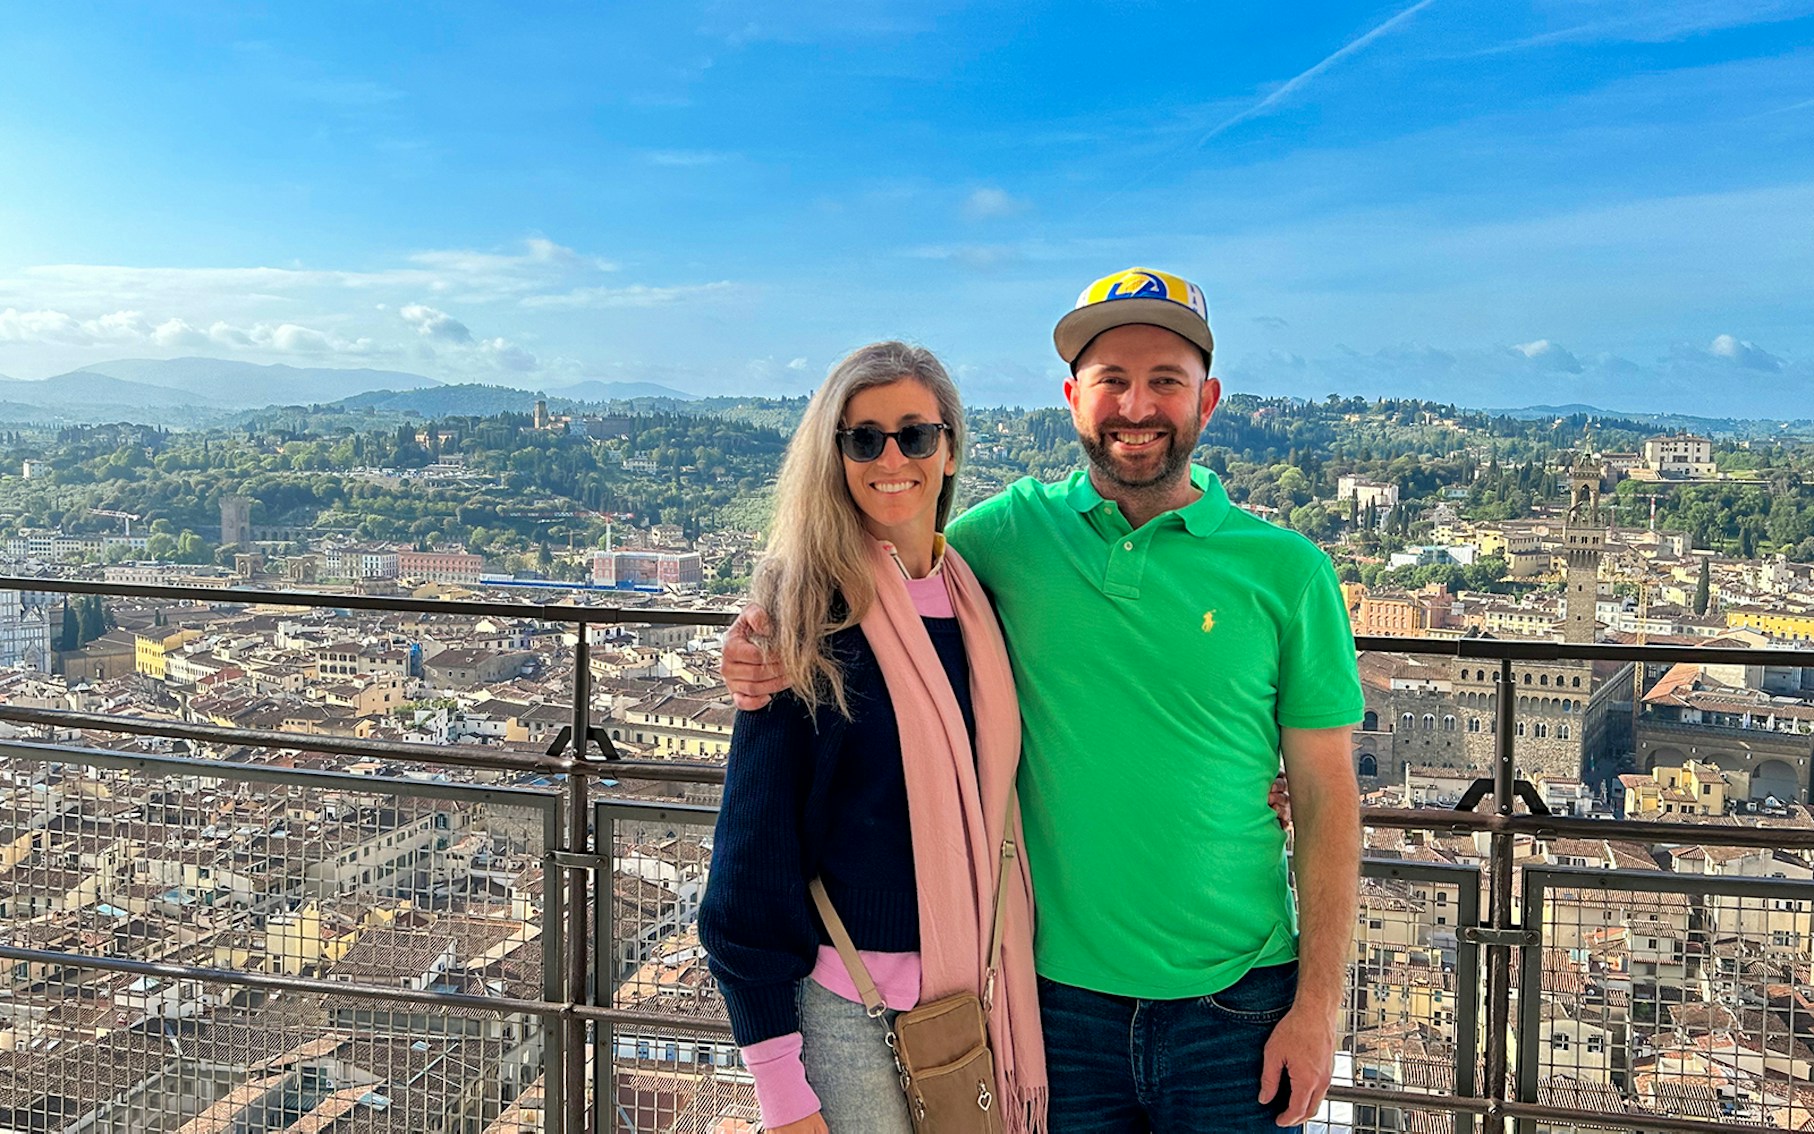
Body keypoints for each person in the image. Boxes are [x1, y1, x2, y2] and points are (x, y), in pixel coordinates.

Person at [724, 269, 1364, 1132]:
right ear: (1072, 399)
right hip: (1052, 1006)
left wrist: (1318, 1009)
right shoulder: (1005, 539)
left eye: (1165, 381)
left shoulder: (1288, 573)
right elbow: (873, 565)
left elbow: (1328, 796)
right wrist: (757, 634)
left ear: (1207, 400)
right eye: (1112, 382)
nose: (1137, 406)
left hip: (1238, 1005)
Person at [698, 341, 1047, 1134]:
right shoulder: (807, 618)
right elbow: (751, 862)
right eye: (864, 438)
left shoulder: (980, 603)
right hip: (849, 1012)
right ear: (836, 456)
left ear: (949, 448)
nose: (892, 458)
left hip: (982, 999)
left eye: (915, 435)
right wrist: (782, 1094)